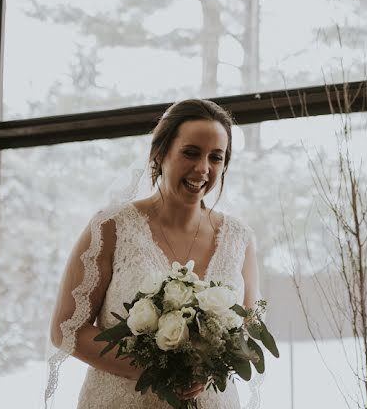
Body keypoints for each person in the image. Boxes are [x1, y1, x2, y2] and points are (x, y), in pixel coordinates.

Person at [47, 99, 261, 408]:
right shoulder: (111, 227)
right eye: (191, 153)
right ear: (159, 153)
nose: (203, 168)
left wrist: (209, 368)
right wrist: (157, 369)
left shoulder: (240, 238)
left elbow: (249, 333)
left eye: (216, 157)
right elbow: (66, 329)